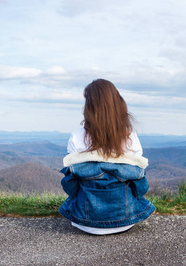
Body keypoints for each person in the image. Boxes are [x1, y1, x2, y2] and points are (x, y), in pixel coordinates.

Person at [59, 79, 155, 235]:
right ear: (118, 104)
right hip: (125, 221)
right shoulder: (131, 138)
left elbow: (71, 187)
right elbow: (141, 188)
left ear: (89, 108)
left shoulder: (76, 138)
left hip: (85, 222)